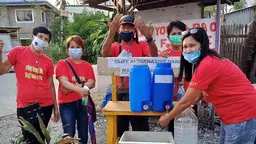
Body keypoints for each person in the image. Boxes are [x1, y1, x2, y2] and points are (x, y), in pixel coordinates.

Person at [158, 27, 256, 144]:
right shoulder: (206, 61)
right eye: (185, 47)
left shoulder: (207, 63)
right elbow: (197, 93)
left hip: (242, 113)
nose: (188, 50)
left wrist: (168, 118)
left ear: (202, 45)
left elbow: (186, 100)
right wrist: (192, 103)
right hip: (232, 114)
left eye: (192, 45)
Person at [101, 14, 158, 137]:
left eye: (130, 27)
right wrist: (111, 33)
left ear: (134, 30)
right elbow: (104, 54)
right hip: (119, 92)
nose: (126, 30)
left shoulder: (142, 45)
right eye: (123, 27)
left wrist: (149, 37)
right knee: (120, 129)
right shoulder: (116, 46)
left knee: (141, 127)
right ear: (119, 29)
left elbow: (154, 56)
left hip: (138, 91)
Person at [0, 26, 59, 143]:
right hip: (24, 106)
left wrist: (56, 107)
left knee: (40, 138)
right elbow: (1, 70)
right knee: (28, 138)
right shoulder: (18, 52)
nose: (43, 40)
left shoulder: (48, 61)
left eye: (46, 39)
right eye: (40, 36)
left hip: (45, 106)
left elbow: (51, 85)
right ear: (33, 36)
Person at [55, 35, 96, 144]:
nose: (75, 49)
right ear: (67, 50)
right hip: (67, 104)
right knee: (68, 133)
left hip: (83, 103)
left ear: (82, 50)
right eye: (72, 47)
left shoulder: (87, 66)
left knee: (83, 132)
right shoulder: (62, 64)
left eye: (78, 47)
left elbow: (92, 82)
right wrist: (79, 88)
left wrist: (75, 88)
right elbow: (63, 82)